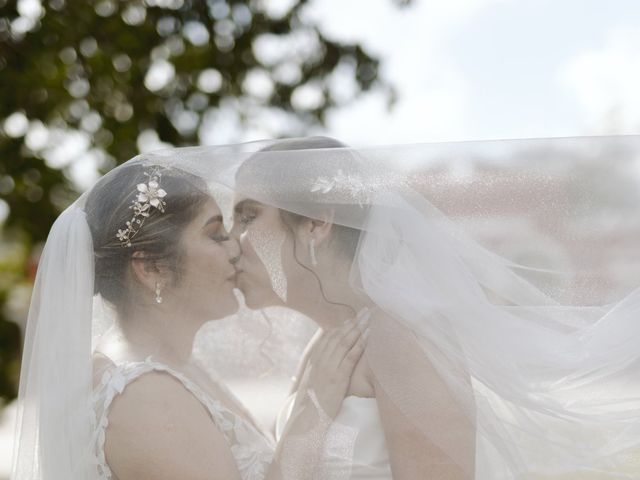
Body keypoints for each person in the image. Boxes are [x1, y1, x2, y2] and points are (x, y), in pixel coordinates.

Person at [227, 136, 640, 479]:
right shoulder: (325, 343)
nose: (231, 242)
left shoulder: (402, 336)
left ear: (316, 223)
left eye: (247, 216)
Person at [11, 159, 367, 480]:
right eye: (215, 235)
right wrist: (314, 412)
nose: (235, 249)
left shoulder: (175, 369)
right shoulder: (145, 397)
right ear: (152, 267)